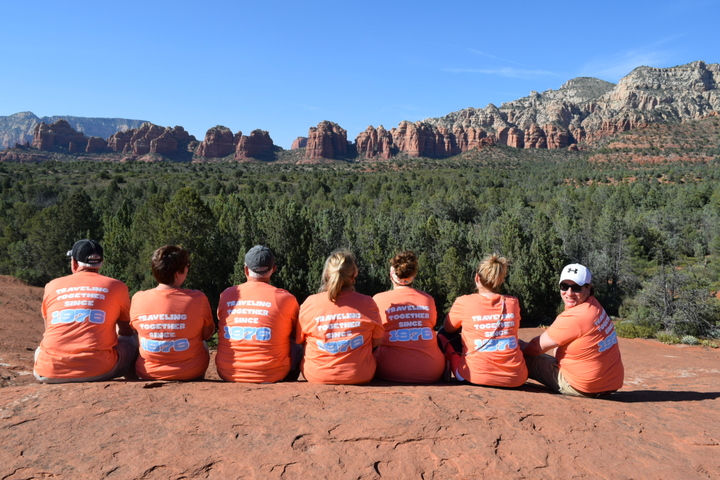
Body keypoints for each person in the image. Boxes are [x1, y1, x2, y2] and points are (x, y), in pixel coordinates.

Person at [34, 239, 137, 383]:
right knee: (132, 339)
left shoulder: (52, 285)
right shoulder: (117, 286)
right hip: (99, 370)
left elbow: (48, 329)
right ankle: (133, 378)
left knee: (40, 349)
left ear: (74, 263)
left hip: (48, 372)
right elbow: (126, 331)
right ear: (101, 262)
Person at [521, 264, 624, 397]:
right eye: (564, 286)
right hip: (608, 383)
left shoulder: (576, 317)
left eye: (576, 288)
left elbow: (535, 348)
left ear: (588, 288)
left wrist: (517, 347)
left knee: (522, 358)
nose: (569, 293)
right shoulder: (594, 306)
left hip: (581, 385)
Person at [439, 254, 528, 387]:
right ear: (500, 280)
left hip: (474, 376)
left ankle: (441, 375)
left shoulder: (464, 302)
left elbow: (449, 328)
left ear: (477, 278)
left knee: (443, 333)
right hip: (515, 378)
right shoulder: (512, 302)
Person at [297, 249, 384, 384]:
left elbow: (300, 341)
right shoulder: (368, 303)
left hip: (317, 374)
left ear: (327, 274)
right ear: (354, 275)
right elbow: (377, 342)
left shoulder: (310, 303)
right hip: (360, 374)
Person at [216, 245, 301, 383]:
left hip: (228, 372)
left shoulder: (226, 295)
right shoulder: (285, 298)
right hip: (273, 374)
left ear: (246, 270)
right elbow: (296, 333)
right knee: (298, 343)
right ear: (274, 269)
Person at [130, 245, 215, 381]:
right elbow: (207, 333)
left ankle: (131, 375)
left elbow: (133, 330)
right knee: (202, 343)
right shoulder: (198, 298)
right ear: (178, 273)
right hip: (190, 372)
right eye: (187, 265)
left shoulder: (138, 297)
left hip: (148, 372)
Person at [372, 251, 444, 383]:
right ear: (414, 275)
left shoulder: (378, 299)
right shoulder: (427, 299)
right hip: (432, 370)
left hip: (388, 368)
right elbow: (431, 324)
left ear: (391, 275)